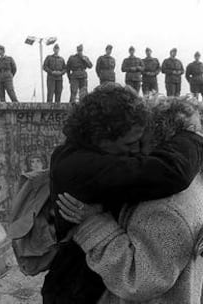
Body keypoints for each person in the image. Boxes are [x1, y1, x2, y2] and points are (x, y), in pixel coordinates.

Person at [42, 83, 203, 304]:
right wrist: (193, 137)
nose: (136, 151)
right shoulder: (76, 167)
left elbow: (140, 281)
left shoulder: (167, 206)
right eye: (130, 142)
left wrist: (94, 222)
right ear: (100, 139)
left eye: (139, 141)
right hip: (76, 284)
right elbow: (171, 171)